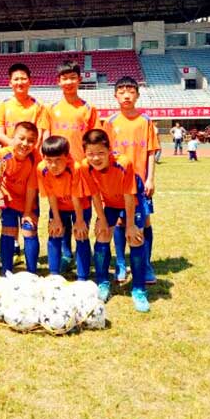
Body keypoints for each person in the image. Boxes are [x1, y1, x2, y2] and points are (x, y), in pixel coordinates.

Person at [80, 128, 150, 313]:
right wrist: (102, 219)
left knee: (135, 239)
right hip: (110, 203)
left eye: (100, 153)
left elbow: (129, 195)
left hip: (133, 202)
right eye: (90, 153)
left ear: (109, 150)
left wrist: (130, 224)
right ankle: (103, 282)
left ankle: (139, 289)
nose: (96, 158)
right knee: (102, 235)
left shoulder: (123, 163)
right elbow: (95, 195)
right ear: (85, 153)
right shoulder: (85, 166)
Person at [103, 76, 160, 285]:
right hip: (118, 183)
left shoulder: (145, 121)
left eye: (131, 91)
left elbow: (151, 152)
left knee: (145, 221)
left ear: (137, 95)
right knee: (120, 221)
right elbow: (105, 154)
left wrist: (150, 178)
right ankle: (120, 263)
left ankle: (146, 264)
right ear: (115, 95)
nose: (126, 95)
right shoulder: (110, 122)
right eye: (122, 92)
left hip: (140, 182)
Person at [46, 59, 99, 270]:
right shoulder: (51, 109)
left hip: (81, 171)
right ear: (58, 81)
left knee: (82, 214)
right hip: (57, 170)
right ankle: (66, 253)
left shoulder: (88, 109)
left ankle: (83, 253)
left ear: (79, 79)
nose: (68, 82)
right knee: (59, 214)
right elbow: (46, 137)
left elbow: (93, 140)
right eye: (64, 78)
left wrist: (88, 164)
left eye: (72, 78)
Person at [37, 135, 92, 280]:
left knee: (81, 235)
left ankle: (82, 277)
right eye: (49, 160)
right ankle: (54, 275)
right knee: (55, 233)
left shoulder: (75, 168)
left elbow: (76, 196)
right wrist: (55, 218)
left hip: (81, 206)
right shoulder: (42, 169)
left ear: (67, 158)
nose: (53, 165)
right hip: (59, 206)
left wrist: (80, 221)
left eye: (58, 160)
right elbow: (51, 195)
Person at [0, 121, 40, 275]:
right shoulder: (2, 155)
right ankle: (6, 270)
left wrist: (27, 212)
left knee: (29, 230)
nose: (25, 144)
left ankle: (32, 272)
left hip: (29, 201)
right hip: (9, 201)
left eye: (31, 140)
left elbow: (32, 187)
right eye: (21, 138)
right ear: (13, 137)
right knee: (8, 231)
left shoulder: (35, 157)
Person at [0, 63, 48, 149]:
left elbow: (39, 134)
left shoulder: (38, 106)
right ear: (10, 83)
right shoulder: (3, 105)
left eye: (23, 79)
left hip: (30, 152)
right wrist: (16, 146)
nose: (20, 82)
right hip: (10, 152)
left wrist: (27, 150)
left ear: (30, 81)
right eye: (16, 79)